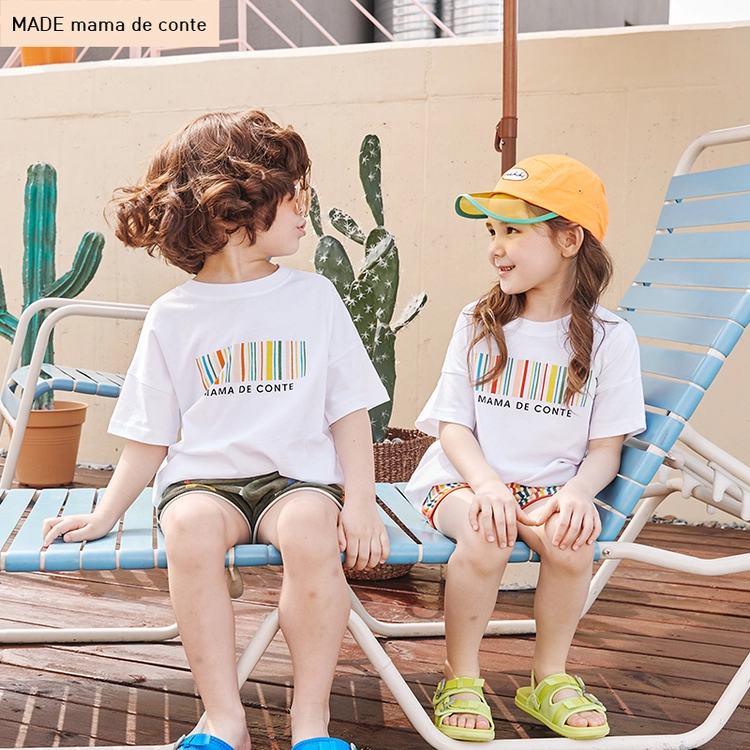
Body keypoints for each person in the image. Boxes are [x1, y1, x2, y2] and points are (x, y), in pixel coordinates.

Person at [41, 110, 390, 750]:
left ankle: (310, 724)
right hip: (205, 482)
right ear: (232, 211)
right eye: (292, 195)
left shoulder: (315, 298)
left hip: (295, 481)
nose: (305, 207)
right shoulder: (173, 316)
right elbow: (149, 434)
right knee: (189, 528)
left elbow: (350, 411)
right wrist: (105, 512)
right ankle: (224, 717)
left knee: (312, 531)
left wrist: (362, 503)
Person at [405, 154, 645, 741]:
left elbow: (605, 448)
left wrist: (579, 493)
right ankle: (460, 676)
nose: (496, 247)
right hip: (462, 481)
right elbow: (452, 427)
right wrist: (487, 485)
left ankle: (549, 677)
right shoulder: (479, 321)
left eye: (513, 230)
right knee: (486, 533)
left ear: (569, 239)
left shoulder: (611, 339)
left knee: (571, 543)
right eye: (492, 231)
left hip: (547, 490)